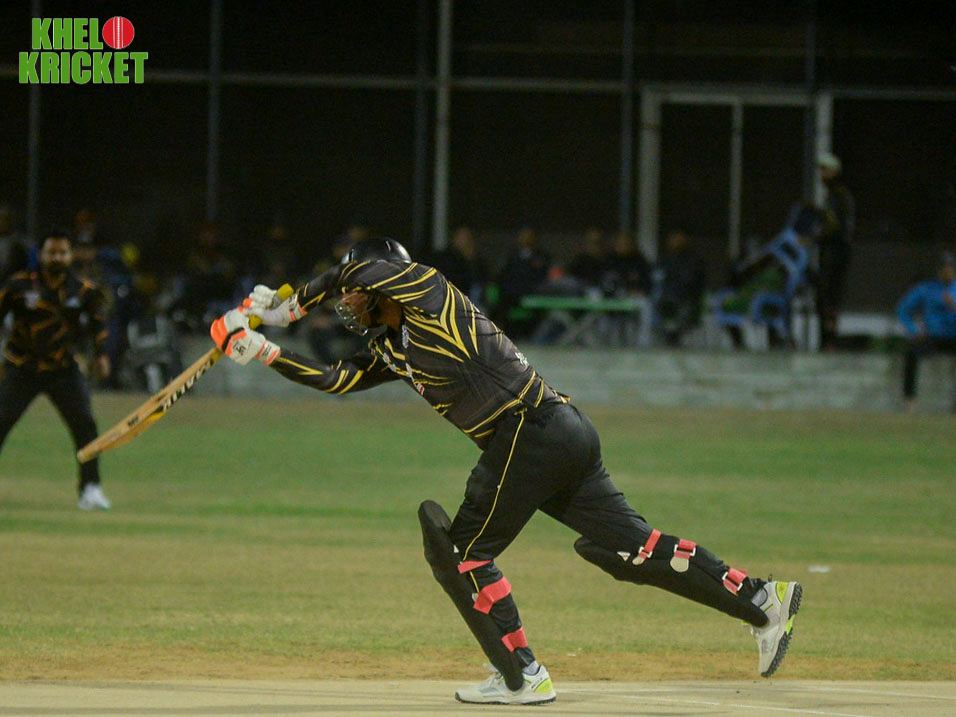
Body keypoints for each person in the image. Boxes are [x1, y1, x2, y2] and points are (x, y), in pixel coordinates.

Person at [208, 238, 802, 705]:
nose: (349, 303)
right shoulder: (392, 345)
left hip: (531, 430)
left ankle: (522, 674)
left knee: (462, 553)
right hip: (555, 434)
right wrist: (263, 352)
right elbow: (340, 379)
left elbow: (352, 271)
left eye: (356, 293)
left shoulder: (427, 291)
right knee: (635, 549)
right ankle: (762, 600)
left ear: (380, 282)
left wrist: (283, 309)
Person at [0, 230, 112, 510]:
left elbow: (98, 323)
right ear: (41, 255)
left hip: (63, 370)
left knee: (85, 426)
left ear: (70, 256)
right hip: (22, 367)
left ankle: (91, 488)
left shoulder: (82, 290)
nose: (57, 258)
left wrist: (101, 356)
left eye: (62, 253)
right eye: (52, 253)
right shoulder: (19, 285)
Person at [896, 251, 956, 413]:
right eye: (944, 269)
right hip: (932, 338)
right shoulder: (926, 289)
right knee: (911, 353)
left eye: (950, 269)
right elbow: (902, 310)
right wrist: (914, 330)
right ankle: (910, 400)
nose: (947, 273)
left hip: (954, 337)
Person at [816, 152, 855, 350]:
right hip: (837, 250)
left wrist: (814, 237)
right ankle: (828, 339)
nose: (821, 174)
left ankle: (829, 339)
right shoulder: (836, 194)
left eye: (825, 169)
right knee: (829, 297)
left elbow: (834, 226)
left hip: (835, 250)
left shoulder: (838, 195)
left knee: (827, 296)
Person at [654, 229, 706, 347]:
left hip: (689, 297)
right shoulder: (665, 258)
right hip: (667, 297)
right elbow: (659, 276)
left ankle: (674, 335)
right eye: (673, 239)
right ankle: (669, 334)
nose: (675, 241)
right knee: (659, 302)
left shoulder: (694, 259)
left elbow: (693, 282)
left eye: (678, 239)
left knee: (678, 306)